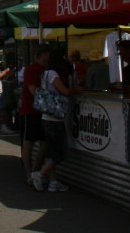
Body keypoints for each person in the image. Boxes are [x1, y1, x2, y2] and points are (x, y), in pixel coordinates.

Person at [33, 49, 82, 192]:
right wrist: (76, 89)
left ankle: (53, 181)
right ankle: (40, 174)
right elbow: (65, 91)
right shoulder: (53, 74)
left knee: (52, 151)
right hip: (54, 118)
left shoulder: (45, 73)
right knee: (61, 152)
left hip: (46, 116)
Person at [20, 44, 51, 187]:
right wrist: (49, 101)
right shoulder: (31, 70)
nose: (46, 61)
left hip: (43, 112)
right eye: (44, 59)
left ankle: (34, 171)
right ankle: (29, 174)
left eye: (47, 59)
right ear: (37, 57)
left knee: (44, 143)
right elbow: (33, 89)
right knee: (29, 142)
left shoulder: (47, 70)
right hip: (31, 111)